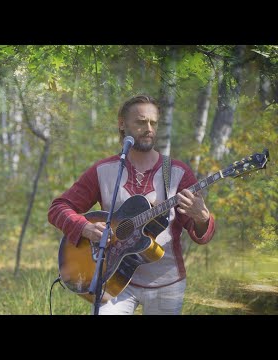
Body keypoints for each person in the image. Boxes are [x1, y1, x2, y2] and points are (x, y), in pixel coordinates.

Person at [48, 94, 215, 315]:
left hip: (165, 282)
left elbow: (200, 234)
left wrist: (202, 218)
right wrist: (84, 227)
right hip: (110, 279)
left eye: (153, 123)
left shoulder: (177, 173)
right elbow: (58, 208)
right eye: (141, 121)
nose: (148, 128)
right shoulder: (103, 170)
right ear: (122, 124)